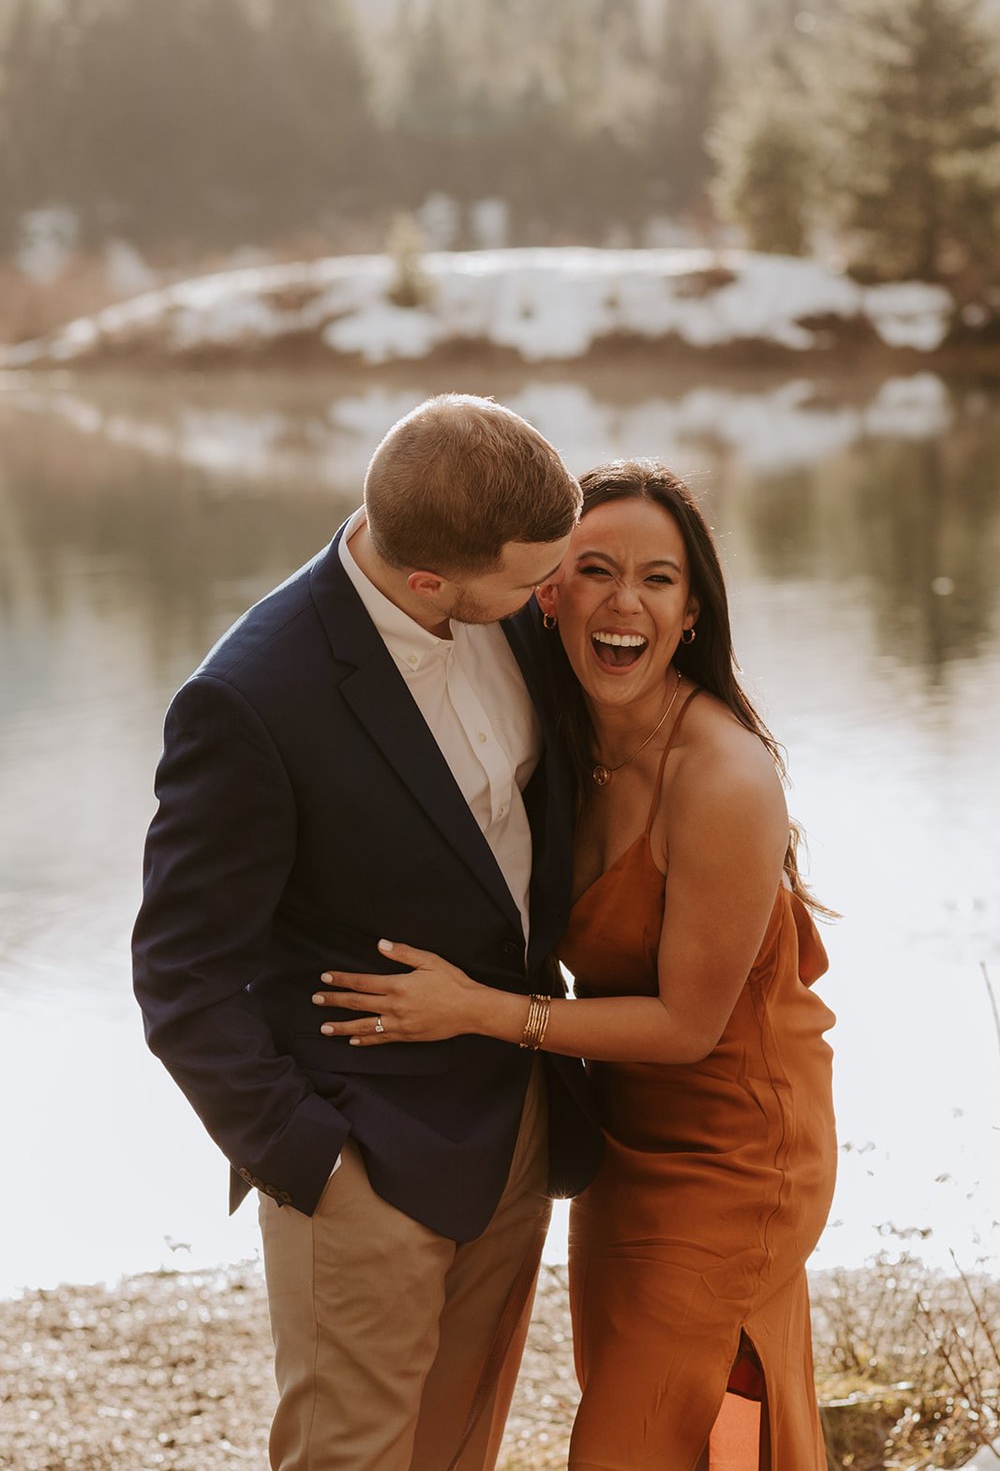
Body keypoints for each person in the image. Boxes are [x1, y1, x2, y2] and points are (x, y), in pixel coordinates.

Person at [314, 460, 837, 1470]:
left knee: (629, 1439)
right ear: (546, 592)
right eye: (593, 568)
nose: (622, 600)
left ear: (691, 613)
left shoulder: (721, 777)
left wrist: (477, 1010)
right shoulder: (550, 738)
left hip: (738, 1149)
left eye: (657, 578)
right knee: (696, 1418)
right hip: (623, 1135)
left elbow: (687, 1027)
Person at [132, 393, 605, 1471]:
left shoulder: (509, 609)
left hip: (517, 1113)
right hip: (365, 1154)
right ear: (432, 581)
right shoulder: (251, 700)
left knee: (458, 1449)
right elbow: (180, 978)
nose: (557, 595)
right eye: (537, 579)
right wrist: (314, 1161)